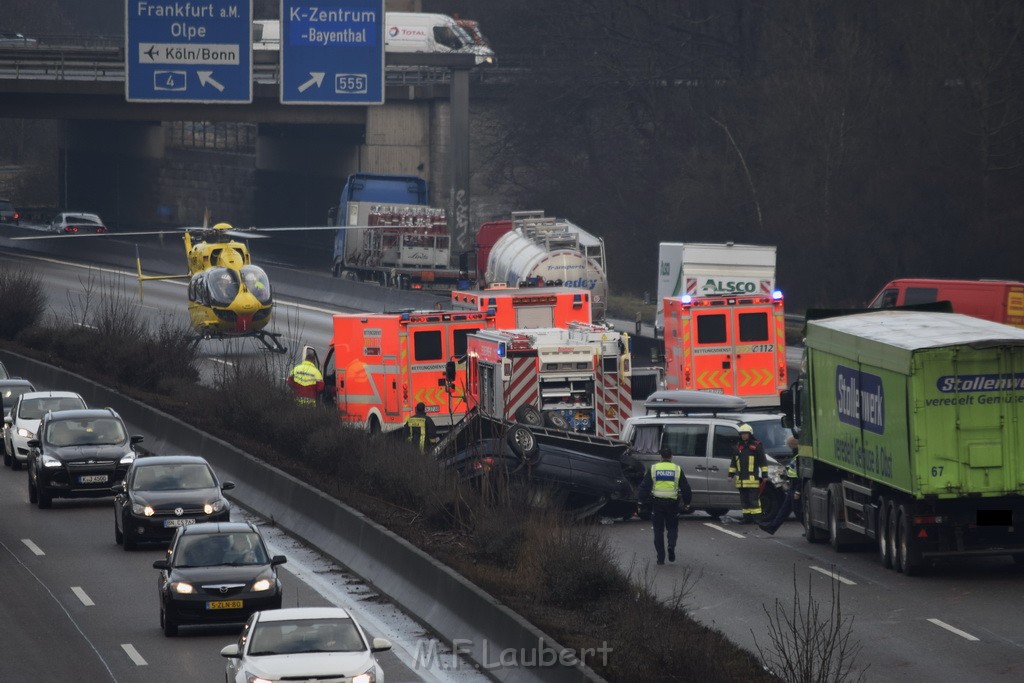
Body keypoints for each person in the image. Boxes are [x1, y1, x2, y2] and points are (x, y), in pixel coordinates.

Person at [638, 445, 693, 565]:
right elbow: (686, 488)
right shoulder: (677, 469)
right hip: (672, 504)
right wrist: (687, 503)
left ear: (660, 456)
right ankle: (671, 545)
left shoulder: (654, 468)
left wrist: (640, 502)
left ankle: (660, 558)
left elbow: (645, 487)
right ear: (672, 457)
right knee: (672, 528)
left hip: (657, 503)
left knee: (658, 531)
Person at [728, 423, 768, 524]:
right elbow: (734, 462)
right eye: (742, 434)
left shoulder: (756, 446)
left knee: (754, 500)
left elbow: (763, 462)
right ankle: (747, 518)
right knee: (744, 501)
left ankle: (757, 519)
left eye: (745, 434)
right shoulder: (738, 447)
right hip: (740, 480)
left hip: (752, 479)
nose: (744, 436)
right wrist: (730, 475)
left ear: (750, 434)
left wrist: (764, 475)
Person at [761, 436, 800, 535]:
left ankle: (810, 530)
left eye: (789, 445)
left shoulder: (799, 456)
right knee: (785, 509)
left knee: (797, 511)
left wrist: (798, 491)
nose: (789, 447)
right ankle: (772, 528)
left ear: (793, 445)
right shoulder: (796, 455)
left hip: (796, 485)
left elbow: (800, 475)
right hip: (793, 485)